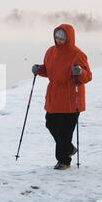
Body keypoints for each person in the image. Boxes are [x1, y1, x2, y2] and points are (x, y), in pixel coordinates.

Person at [32, 24, 92, 170]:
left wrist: (79, 71)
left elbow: (88, 76)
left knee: (65, 131)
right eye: (57, 37)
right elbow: (48, 70)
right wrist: (39, 69)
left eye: (62, 38)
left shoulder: (78, 54)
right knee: (51, 124)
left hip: (71, 98)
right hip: (54, 95)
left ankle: (63, 160)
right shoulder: (50, 52)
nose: (59, 40)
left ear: (69, 38)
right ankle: (69, 148)